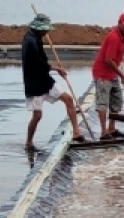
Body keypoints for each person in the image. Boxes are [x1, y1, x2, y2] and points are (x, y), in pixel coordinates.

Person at [22, 13, 84, 152]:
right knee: (37, 115)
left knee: (68, 99)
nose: (47, 32)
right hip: (34, 83)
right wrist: (56, 68)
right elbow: (38, 64)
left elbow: (42, 63)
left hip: (45, 80)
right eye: (45, 29)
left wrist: (53, 69)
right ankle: (28, 143)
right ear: (38, 28)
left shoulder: (36, 38)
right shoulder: (30, 41)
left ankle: (77, 133)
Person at [93, 12, 124, 140]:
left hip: (112, 73)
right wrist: (122, 75)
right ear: (119, 23)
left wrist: (119, 71)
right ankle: (104, 132)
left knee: (116, 101)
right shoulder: (114, 37)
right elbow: (108, 60)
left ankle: (111, 128)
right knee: (103, 102)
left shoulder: (122, 37)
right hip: (102, 73)